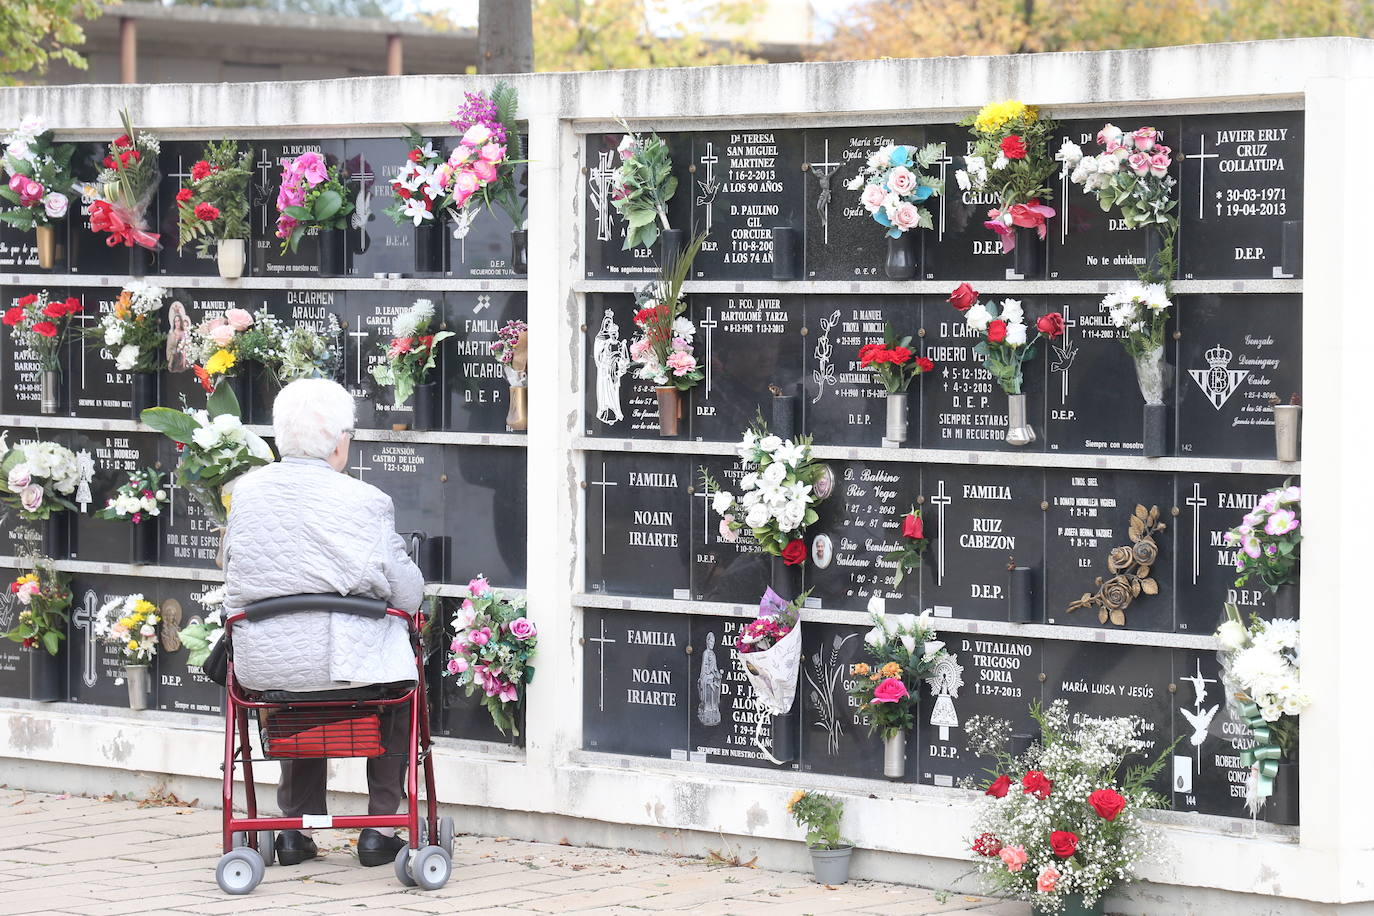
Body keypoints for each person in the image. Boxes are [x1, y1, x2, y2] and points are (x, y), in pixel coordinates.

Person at [223, 378, 424, 868]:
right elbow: (406, 592)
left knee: (295, 687)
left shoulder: (244, 494)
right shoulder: (366, 500)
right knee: (397, 678)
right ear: (339, 442)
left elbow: (230, 569)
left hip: (264, 667)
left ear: (278, 439)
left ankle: (294, 827)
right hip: (346, 667)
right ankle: (379, 827)